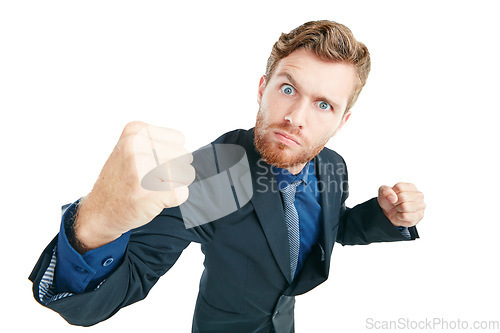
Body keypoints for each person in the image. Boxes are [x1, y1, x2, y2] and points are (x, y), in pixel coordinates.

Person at [29, 20, 425, 332]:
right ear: (262, 87)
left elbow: (331, 225)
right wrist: (97, 223)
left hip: (284, 323)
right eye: (288, 89)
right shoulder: (216, 178)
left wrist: (383, 218)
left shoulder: (332, 165)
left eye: (323, 104)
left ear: (342, 121)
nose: (296, 118)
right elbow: (114, 289)